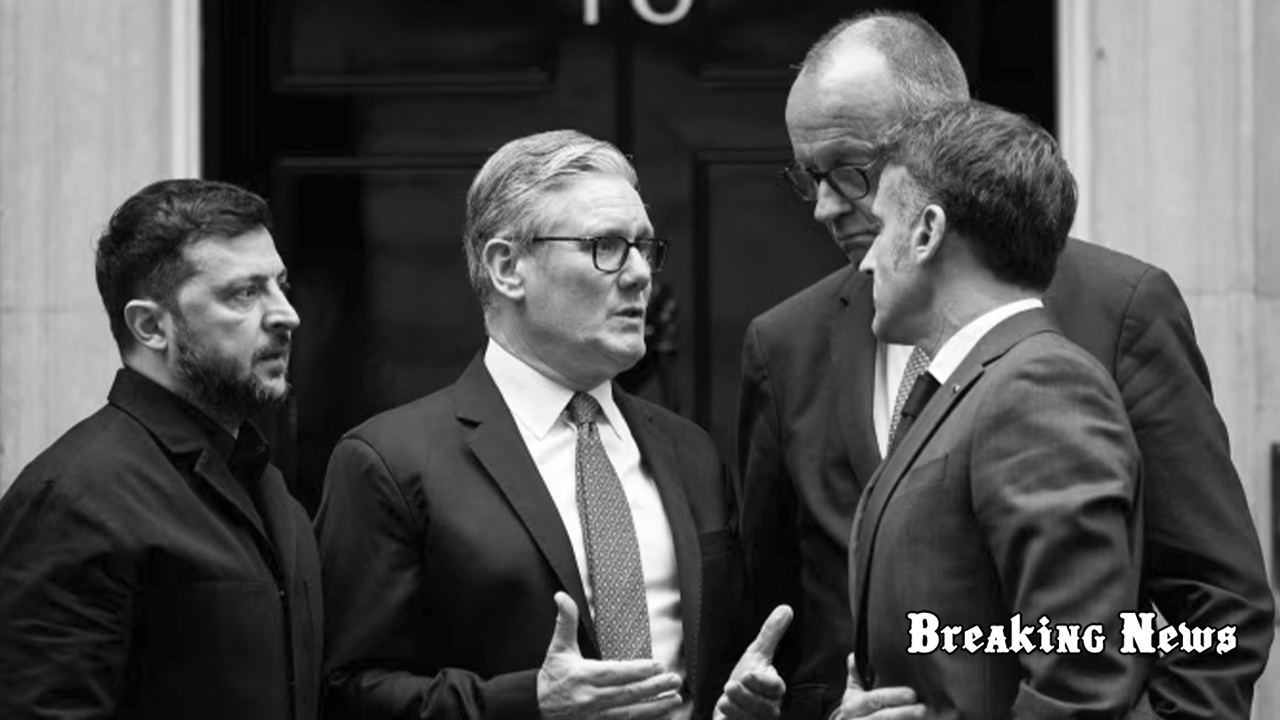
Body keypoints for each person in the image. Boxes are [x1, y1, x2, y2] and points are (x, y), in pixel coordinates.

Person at [737, 10, 1274, 720]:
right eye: (810, 178)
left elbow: (1212, 611)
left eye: (850, 171)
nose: (825, 208)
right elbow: (779, 610)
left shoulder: (1118, 310)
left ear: (941, 139)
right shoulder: (785, 343)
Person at [315, 129, 789, 720]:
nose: (640, 274)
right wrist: (529, 704)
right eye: (606, 246)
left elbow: (723, 656)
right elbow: (347, 691)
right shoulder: (389, 463)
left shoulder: (691, 454)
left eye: (644, 247)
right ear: (507, 267)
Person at [852, 99, 1144, 718]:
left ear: (927, 232)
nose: (866, 260)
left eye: (880, 228)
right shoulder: (972, 384)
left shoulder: (1040, 388)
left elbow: (1080, 682)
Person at [0, 179, 320, 720]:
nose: (286, 314)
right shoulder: (75, 498)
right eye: (245, 293)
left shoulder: (266, 485)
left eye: (279, 285)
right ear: (151, 326)